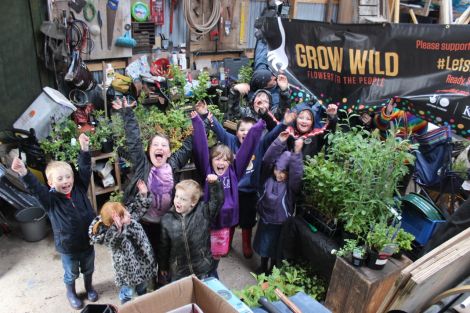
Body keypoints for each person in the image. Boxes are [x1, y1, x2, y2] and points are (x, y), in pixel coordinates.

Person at [11, 134, 97, 310]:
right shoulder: (50, 200)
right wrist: (23, 172)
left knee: (89, 268)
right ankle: (71, 292)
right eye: (60, 179)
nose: (66, 181)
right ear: (50, 182)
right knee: (71, 273)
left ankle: (89, 287)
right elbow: (35, 188)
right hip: (68, 246)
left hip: (88, 241)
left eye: (68, 177)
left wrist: (84, 149)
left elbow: (85, 168)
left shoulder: (80, 188)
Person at [112, 97, 193, 273]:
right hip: (144, 222)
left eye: (164, 145)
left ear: (169, 152)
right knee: (144, 253)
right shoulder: (143, 165)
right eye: (155, 145)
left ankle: (162, 275)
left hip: (165, 222)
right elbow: (134, 141)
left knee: (164, 252)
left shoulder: (172, 165)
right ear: (148, 151)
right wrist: (127, 114)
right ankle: (148, 277)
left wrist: (202, 122)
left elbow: (188, 146)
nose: (159, 147)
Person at [206, 108, 297, 258]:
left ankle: (246, 243)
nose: (245, 133)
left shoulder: (259, 144)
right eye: (242, 130)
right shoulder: (230, 141)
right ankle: (226, 241)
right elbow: (220, 131)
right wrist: (209, 118)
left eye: (249, 131)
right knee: (230, 217)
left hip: (249, 191)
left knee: (247, 220)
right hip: (232, 191)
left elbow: (272, 136)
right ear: (236, 132)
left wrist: (283, 124)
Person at [191, 110, 265, 265]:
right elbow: (201, 149)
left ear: (230, 163)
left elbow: (247, 149)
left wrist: (260, 125)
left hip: (227, 217)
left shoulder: (234, 172)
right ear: (211, 161)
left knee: (220, 251)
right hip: (211, 217)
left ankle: (219, 257)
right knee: (206, 249)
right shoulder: (208, 170)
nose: (221, 163)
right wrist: (197, 121)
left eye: (225, 160)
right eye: (217, 159)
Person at [89, 180, 157, 304]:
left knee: (142, 287)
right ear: (116, 222)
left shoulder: (129, 219)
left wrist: (143, 194)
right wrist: (119, 230)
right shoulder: (113, 236)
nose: (128, 214)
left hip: (142, 265)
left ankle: (143, 300)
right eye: (124, 214)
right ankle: (126, 306)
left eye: (125, 211)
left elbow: (138, 209)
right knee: (128, 293)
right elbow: (113, 242)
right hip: (128, 274)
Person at [253, 131, 304, 274]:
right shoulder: (267, 178)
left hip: (280, 223)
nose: (279, 174)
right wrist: (279, 141)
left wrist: (297, 153)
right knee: (264, 247)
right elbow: (267, 160)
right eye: (277, 169)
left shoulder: (290, 187)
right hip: (265, 220)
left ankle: (273, 269)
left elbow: (296, 173)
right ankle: (263, 266)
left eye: (284, 172)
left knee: (276, 248)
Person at [158, 175, 224, 281]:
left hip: (202, 267)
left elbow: (217, 201)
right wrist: (163, 266)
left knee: (204, 292)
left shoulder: (203, 212)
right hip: (179, 270)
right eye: (177, 196)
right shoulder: (167, 220)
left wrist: (215, 184)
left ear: (193, 202)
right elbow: (164, 246)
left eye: (183, 199)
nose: (178, 201)